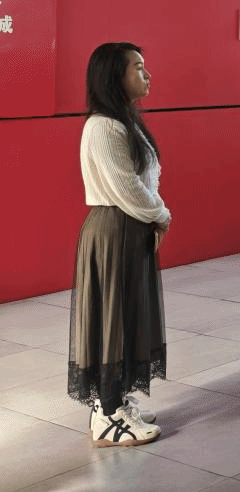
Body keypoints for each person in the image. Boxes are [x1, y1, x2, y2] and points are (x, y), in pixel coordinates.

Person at [69, 43, 168, 448]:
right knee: (113, 321)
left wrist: (154, 215)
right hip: (116, 229)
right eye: (138, 67)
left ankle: (114, 401)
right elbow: (127, 188)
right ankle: (107, 416)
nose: (147, 75)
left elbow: (142, 181)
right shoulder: (104, 127)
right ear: (115, 76)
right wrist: (162, 214)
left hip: (129, 229)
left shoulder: (122, 121)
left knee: (125, 318)